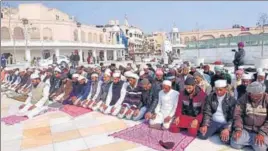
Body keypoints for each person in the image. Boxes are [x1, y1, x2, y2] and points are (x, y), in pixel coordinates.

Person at [231, 82, 268, 151]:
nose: (254, 97)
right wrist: (238, 129)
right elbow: (237, 115)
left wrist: (262, 133)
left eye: (257, 95)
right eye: (252, 95)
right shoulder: (244, 98)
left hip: (261, 131)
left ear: (262, 93)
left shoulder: (266, 99)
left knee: (260, 148)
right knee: (234, 143)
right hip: (246, 129)